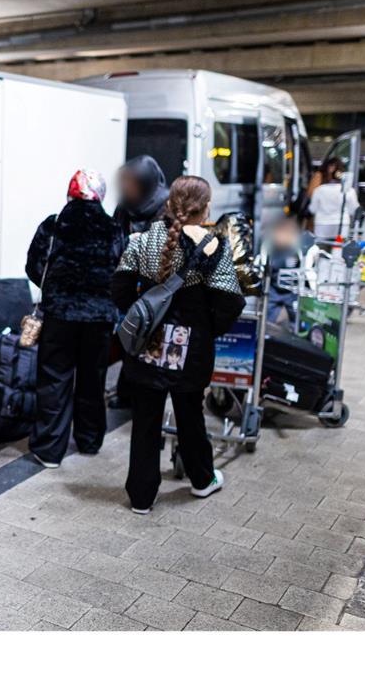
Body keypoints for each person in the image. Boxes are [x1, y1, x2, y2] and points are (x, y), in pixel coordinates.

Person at [112, 176, 245, 513]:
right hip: (192, 351)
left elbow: (120, 287)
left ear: (169, 205)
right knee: (190, 416)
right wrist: (205, 330)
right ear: (206, 208)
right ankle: (202, 480)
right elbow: (230, 302)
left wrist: (142, 314)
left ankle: (141, 497)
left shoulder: (143, 240)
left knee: (145, 421)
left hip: (148, 346)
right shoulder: (215, 246)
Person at [24, 169, 120, 468]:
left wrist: (57, 289)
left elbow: (34, 267)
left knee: (54, 378)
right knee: (93, 378)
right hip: (100, 317)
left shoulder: (54, 225)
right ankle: (90, 440)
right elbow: (122, 272)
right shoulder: (113, 228)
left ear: (71, 192)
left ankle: (50, 450)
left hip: (60, 315)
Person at [108, 155, 169, 408]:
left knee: (145, 341)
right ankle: (126, 393)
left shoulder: (165, 207)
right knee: (129, 338)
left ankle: (139, 396)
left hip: (152, 285)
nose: (126, 189)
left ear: (147, 183)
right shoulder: (125, 207)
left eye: (132, 184)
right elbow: (114, 236)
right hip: (126, 281)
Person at [307, 161, 358, 240]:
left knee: (321, 248)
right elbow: (353, 210)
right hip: (342, 225)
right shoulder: (349, 191)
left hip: (322, 225)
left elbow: (312, 209)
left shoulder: (319, 190)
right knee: (339, 248)